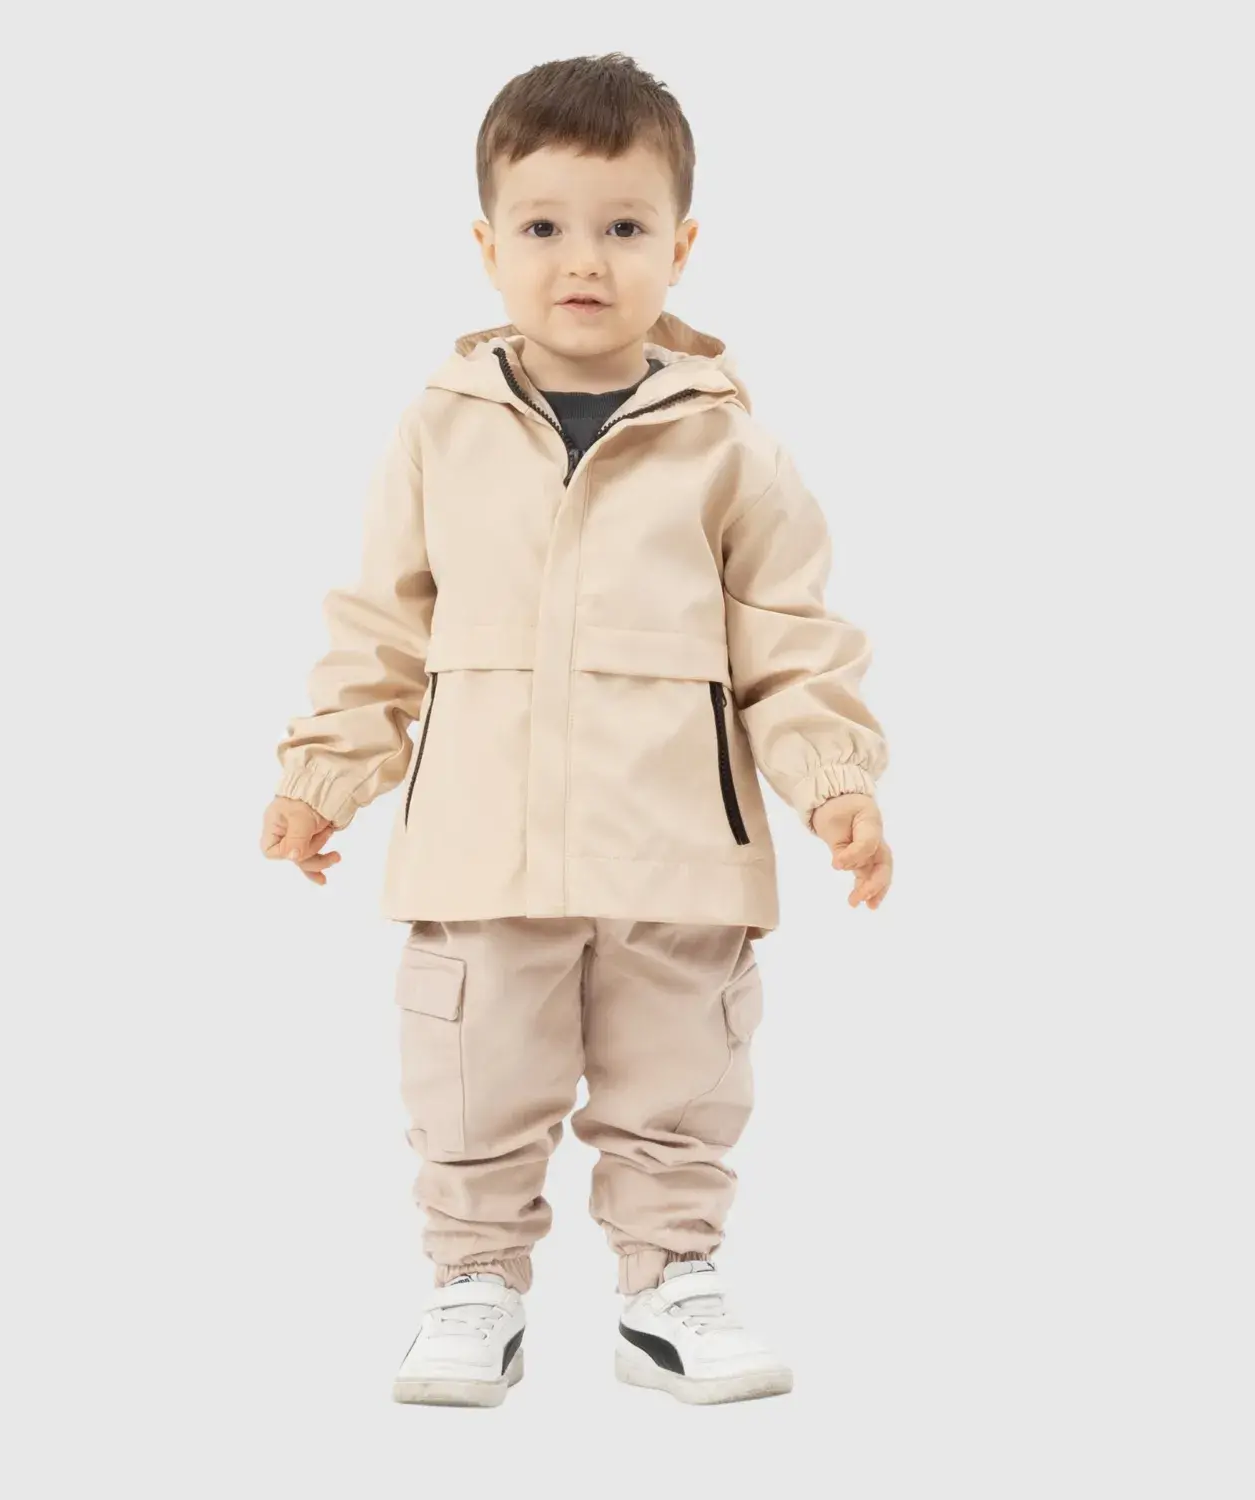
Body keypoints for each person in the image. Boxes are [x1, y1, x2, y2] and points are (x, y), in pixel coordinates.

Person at [260, 51, 893, 1407]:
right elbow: (383, 623)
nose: (583, 260)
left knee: (682, 1076)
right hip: (483, 843)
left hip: (678, 846)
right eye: (543, 226)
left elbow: (789, 636)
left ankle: (670, 1285)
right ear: (488, 246)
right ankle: (473, 1285)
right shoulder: (438, 432)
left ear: (681, 247)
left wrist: (833, 780)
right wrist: (326, 774)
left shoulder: (730, 447)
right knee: (473, 1072)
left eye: (624, 226)